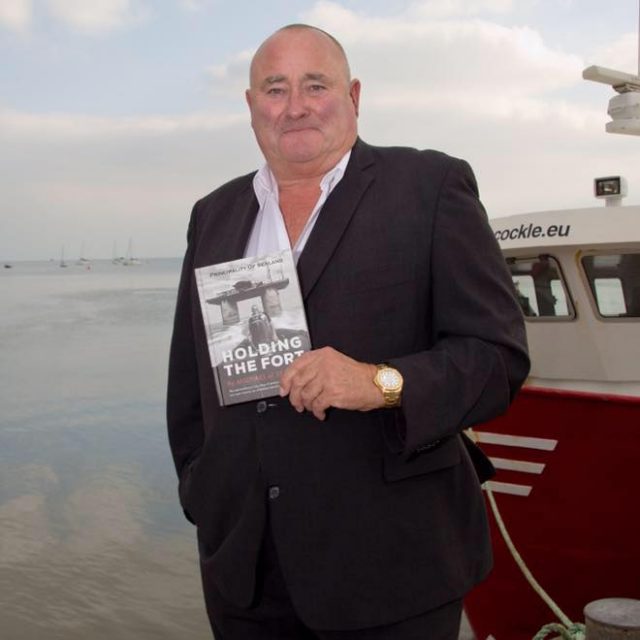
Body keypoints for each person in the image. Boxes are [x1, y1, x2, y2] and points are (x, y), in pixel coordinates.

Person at [167, 24, 530, 640]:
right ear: (252, 105)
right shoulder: (215, 213)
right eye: (276, 89)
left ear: (354, 95)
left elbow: (497, 359)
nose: (296, 105)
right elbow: (188, 382)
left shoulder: (430, 187)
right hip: (245, 570)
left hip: (390, 566)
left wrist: (381, 382)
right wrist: (205, 490)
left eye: (316, 85)